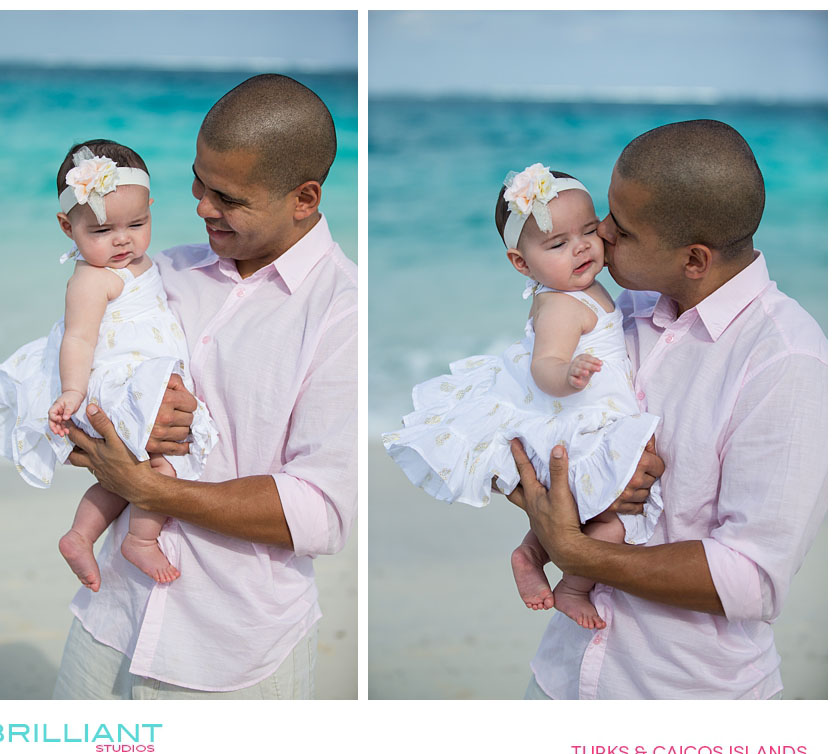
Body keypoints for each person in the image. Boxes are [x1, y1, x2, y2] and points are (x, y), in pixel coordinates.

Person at [54, 74, 357, 699]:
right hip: (112, 616)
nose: (201, 207)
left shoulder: (345, 312)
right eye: (197, 182)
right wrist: (108, 420)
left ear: (304, 198)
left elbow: (322, 514)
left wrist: (142, 483)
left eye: (227, 197)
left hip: (235, 652)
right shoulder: (165, 269)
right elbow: (56, 385)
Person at [506, 119, 826, 699]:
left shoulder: (787, 360)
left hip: (687, 700)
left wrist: (577, 552)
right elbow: (516, 423)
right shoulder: (615, 312)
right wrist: (574, 485)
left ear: (695, 260)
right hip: (562, 679)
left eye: (620, 228)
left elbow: (752, 580)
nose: (599, 231)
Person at [383, 163, 661, 629]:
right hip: (580, 417)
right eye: (558, 244)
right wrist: (567, 374)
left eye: (589, 231)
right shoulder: (561, 304)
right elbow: (544, 365)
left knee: (584, 513)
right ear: (521, 262)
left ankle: (531, 555)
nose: (581, 247)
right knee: (615, 524)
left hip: (584, 412)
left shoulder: (579, 290)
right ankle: (572, 587)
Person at [0, 140, 218, 590]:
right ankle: (140, 540)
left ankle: (80, 535)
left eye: (137, 224)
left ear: (151, 210)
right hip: (117, 383)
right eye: (101, 232)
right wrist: (74, 392)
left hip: (142, 374)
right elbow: (79, 338)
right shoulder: (91, 278)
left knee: (136, 472)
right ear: (67, 226)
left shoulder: (143, 263)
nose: (122, 240)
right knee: (165, 470)